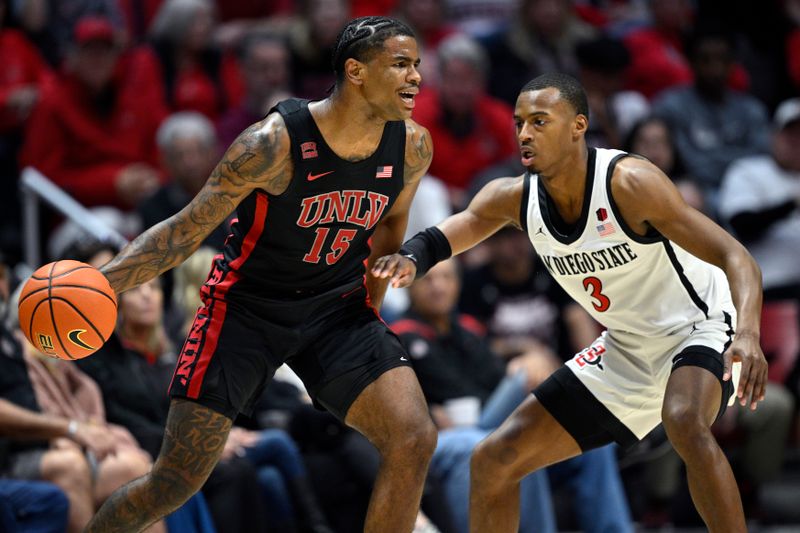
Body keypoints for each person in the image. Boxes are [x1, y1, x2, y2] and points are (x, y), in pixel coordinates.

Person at [373, 72, 768, 533]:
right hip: (627, 345)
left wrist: (748, 333)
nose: (524, 133)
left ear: (578, 125)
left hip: (700, 324)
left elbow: (735, 255)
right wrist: (411, 257)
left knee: (682, 419)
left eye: (540, 121)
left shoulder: (630, 182)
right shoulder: (515, 198)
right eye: (519, 122)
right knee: (494, 459)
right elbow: (460, 227)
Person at [85, 16, 435, 533]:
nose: (416, 78)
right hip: (246, 310)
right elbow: (185, 229)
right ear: (357, 71)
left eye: (418, 66)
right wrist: (101, 283)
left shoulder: (412, 146)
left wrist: (371, 317)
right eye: (401, 65)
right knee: (174, 481)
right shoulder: (271, 143)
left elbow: (388, 232)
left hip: (336, 309)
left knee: (414, 437)